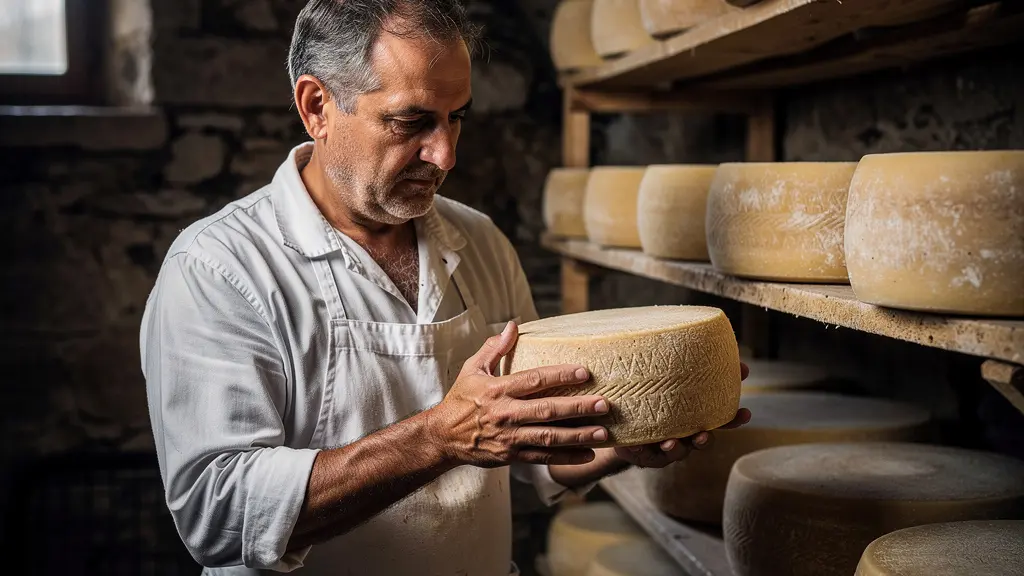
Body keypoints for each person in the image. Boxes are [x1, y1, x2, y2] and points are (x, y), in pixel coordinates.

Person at [140, 1, 751, 574]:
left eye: (456, 118)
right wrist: (439, 438)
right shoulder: (220, 268)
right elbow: (218, 511)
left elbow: (530, 456)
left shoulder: (480, 242)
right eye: (411, 122)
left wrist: (622, 443)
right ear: (317, 106)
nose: (445, 155)